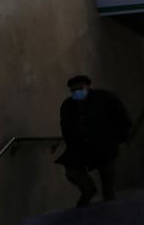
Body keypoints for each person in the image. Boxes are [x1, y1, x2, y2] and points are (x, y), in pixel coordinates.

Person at [56, 75, 131, 206]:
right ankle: (88, 190)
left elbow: (121, 114)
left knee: (107, 175)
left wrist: (120, 135)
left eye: (80, 88)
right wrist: (73, 144)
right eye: (73, 90)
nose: (77, 92)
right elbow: (66, 127)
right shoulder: (68, 105)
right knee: (72, 171)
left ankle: (109, 201)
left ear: (88, 87)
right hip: (81, 147)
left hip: (104, 143)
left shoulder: (104, 97)